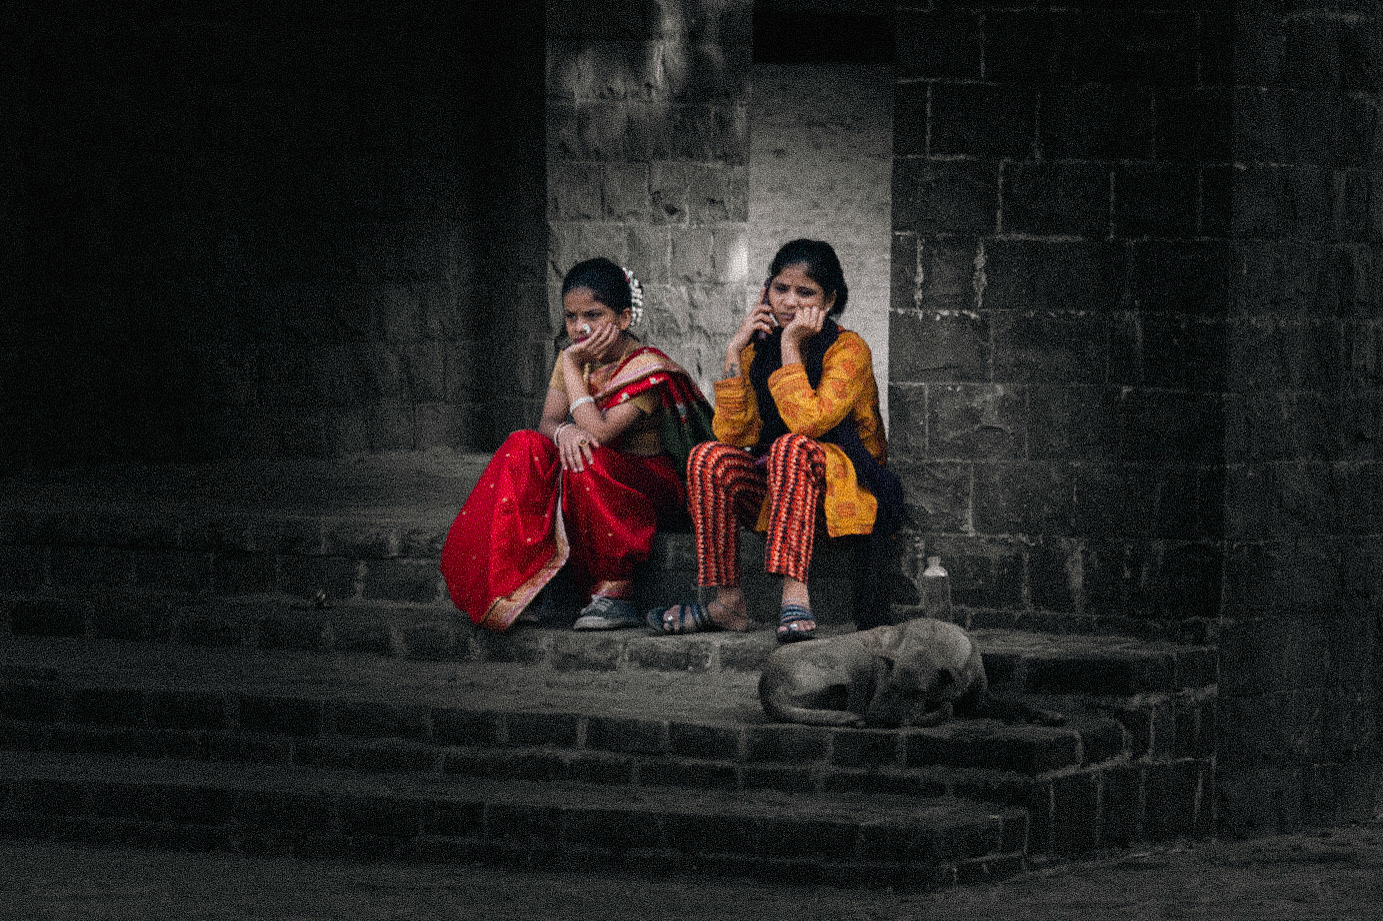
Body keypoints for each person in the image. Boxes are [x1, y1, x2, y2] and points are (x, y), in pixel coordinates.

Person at [441, 258, 713, 633]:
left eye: (594, 315)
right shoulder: (575, 358)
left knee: (587, 455)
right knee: (524, 445)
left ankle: (614, 592)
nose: (580, 327)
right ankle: (522, 582)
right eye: (571, 317)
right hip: (594, 469)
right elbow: (549, 423)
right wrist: (562, 433)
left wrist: (570, 367)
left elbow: (600, 433)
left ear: (623, 318)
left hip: (649, 485)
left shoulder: (645, 369)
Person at [650, 239, 903, 641]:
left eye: (806, 293)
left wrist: (790, 347)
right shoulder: (756, 352)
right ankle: (727, 602)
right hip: (779, 494)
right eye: (781, 288)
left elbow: (808, 423)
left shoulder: (848, 350)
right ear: (766, 289)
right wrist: (735, 349)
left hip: (840, 490)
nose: (789, 302)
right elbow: (734, 434)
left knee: (792, 445)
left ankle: (794, 595)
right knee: (706, 457)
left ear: (830, 299)